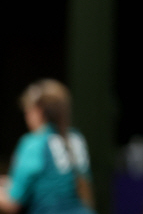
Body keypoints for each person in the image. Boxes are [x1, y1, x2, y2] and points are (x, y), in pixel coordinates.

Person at [0, 79, 95, 214]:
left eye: (27, 112)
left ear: (39, 111)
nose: (26, 118)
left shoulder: (34, 143)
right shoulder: (75, 137)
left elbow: (12, 203)